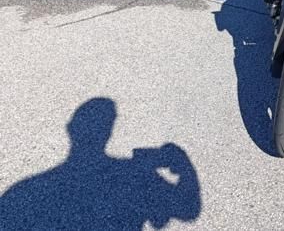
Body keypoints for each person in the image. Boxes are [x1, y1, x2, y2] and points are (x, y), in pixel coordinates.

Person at [0, 98, 201, 230]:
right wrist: (184, 165)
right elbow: (188, 209)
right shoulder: (134, 174)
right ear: (109, 132)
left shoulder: (20, 192)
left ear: (70, 129)